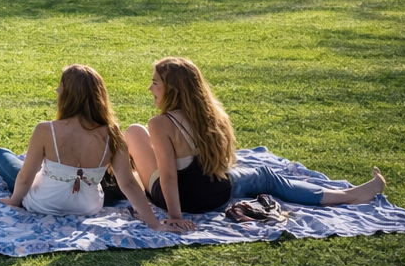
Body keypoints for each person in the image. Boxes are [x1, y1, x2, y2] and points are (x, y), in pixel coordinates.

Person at [125, 57, 387, 220]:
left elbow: (169, 177)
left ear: (172, 89)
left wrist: (175, 217)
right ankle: (346, 195)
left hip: (187, 201)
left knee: (135, 132)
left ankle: (130, 174)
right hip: (218, 192)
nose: (151, 88)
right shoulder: (211, 114)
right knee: (264, 175)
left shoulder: (159, 123)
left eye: (155, 83)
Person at [0, 65, 189, 232]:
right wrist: (155, 224)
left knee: (2, 155)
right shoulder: (113, 132)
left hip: (42, 204)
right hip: (89, 208)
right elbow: (127, 183)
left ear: (68, 95)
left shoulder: (46, 130)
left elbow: (25, 176)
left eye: (59, 86)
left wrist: (15, 201)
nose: (56, 91)